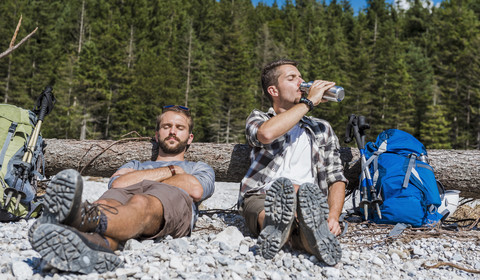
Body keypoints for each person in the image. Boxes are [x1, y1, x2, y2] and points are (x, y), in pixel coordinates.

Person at [29, 105, 215, 274]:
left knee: (141, 202)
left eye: (179, 128)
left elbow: (195, 189)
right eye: (166, 126)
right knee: (105, 202)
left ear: (190, 138)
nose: (172, 131)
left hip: (168, 206)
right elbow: (117, 184)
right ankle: (80, 248)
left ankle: (73, 218)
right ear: (157, 134)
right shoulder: (135, 163)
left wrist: (138, 178)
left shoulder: (199, 167)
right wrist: (172, 172)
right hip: (126, 207)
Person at [238, 59, 347, 265]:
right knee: (269, 211)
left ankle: (299, 234)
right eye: (292, 78)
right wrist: (309, 103)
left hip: (309, 201)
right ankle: (291, 233)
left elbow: (336, 177)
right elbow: (266, 134)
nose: (301, 82)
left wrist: (333, 216)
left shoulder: (322, 128)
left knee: (307, 209)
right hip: (264, 194)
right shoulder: (259, 118)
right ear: (274, 90)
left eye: (300, 77)